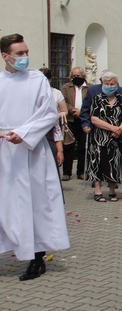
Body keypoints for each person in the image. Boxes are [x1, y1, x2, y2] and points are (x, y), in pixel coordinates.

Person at [0, 34, 70, 280]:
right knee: (8, 204)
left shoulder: (37, 79)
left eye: (26, 52)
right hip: (5, 153)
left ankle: (37, 258)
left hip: (32, 150)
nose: (24, 57)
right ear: (5, 56)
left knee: (35, 203)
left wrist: (23, 133)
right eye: (19, 53)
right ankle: (13, 247)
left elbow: (49, 114)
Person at [86, 71, 122, 202]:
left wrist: (120, 128)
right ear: (103, 84)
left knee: (114, 162)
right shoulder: (97, 98)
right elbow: (94, 119)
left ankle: (112, 190)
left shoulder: (121, 98)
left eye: (112, 84)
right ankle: (98, 190)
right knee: (98, 162)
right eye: (107, 83)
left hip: (116, 136)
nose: (110, 86)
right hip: (100, 136)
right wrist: (112, 128)